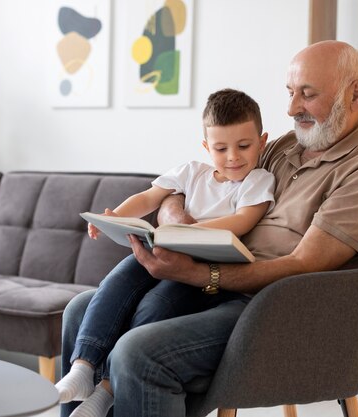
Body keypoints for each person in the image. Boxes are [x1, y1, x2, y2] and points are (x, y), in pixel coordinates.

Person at [60, 40, 358, 417]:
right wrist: (176, 220)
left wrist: (200, 273)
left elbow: (303, 264)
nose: (292, 108)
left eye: (307, 95)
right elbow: (200, 183)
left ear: (355, 93)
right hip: (220, 284)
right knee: (80, 310)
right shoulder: (290, 145)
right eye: (291, 93)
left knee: (137, 351)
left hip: (276, 310)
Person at [56, 88, 275, 417]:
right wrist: (116, 215)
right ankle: (84, 367)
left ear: (262, 140)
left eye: (244, 146)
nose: (233, 157)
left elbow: (243, 221)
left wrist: (187, 233)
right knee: (115, 283)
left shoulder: (258, 180)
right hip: (165, 250)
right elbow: (149, 197)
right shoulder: (192, 172)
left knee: (155, 306)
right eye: (220, 148)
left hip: (196, 275)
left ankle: (106, 391)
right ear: (206, 147)